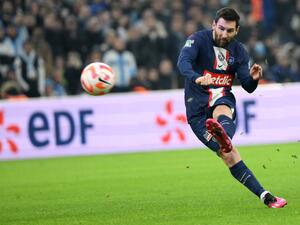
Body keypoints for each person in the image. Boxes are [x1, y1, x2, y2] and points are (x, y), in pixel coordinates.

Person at [177, 7, 287, 208]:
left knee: (222, 112)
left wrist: (254, 80)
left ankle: (223, 136)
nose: (223, 34)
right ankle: (264, 195)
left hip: (221, 97)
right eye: (221, 28)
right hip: (197, 109)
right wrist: (197, 78)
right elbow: (183, 62)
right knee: (229, 155)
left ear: (237, 31)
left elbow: (247, 85)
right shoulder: (197, 40)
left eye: (229, 31)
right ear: (213, 25)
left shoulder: (239, 51)